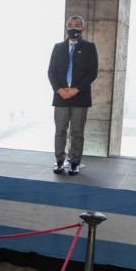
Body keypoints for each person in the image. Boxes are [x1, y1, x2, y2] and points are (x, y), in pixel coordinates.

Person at [47, 16, 99, 175]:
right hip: (60, 96)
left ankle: (74, 162)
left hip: (80, 96)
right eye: (70, 25)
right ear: (66, 28)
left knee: (77, 133)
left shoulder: (89, 47)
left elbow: (92, 73)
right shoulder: (58, 47)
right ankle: (59, 161)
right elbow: (51, 72)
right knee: (60, 131)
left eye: (77, 25)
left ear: (83, 29)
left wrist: (77, 89)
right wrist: (59, 89)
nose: (73, 28)